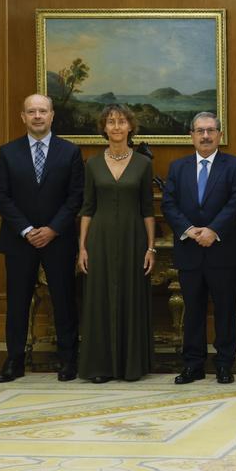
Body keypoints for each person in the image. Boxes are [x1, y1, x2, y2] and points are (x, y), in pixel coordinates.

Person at [0, 94, 84, 383]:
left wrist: (53, 229)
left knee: (64, 300)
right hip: (20, 240)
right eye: (31, 111)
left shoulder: (70, 152)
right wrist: (27, 230)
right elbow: (1, 196)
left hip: (59, 239)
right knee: (18, 302)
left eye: (42, 111)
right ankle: (14, 360)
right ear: (23, 117)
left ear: (52, 115)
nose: (37, 116)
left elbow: (76, 196)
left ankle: (68, 360)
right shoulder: (8, 152)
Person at [161, 112, 236, 385]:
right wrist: (189, 230)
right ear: (192, 135)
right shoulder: (178, 167)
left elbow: (235, 203)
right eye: (200, 131)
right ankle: (193, 365)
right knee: (193, 311)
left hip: (223, 251)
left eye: (211, 130)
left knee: (225, 311)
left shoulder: (235, 165)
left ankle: (224, 364)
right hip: (189, 250)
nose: (206, 136)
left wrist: (212, 230)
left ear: (220, 134)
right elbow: (169, 204)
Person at [77, 104, 156, 383]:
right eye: (111, 122)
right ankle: (100, 367)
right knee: (99, 301)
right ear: (104, 128)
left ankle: (130, 366)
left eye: (122, 122)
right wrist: (82, 248)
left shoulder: (143, 164)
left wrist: (150, 248)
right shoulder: (93, 164)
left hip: (134, 240)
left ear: (130, 127)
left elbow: (148, 210)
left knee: (131, 299)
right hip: (99, 241)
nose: (116, 127)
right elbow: (87, 208)